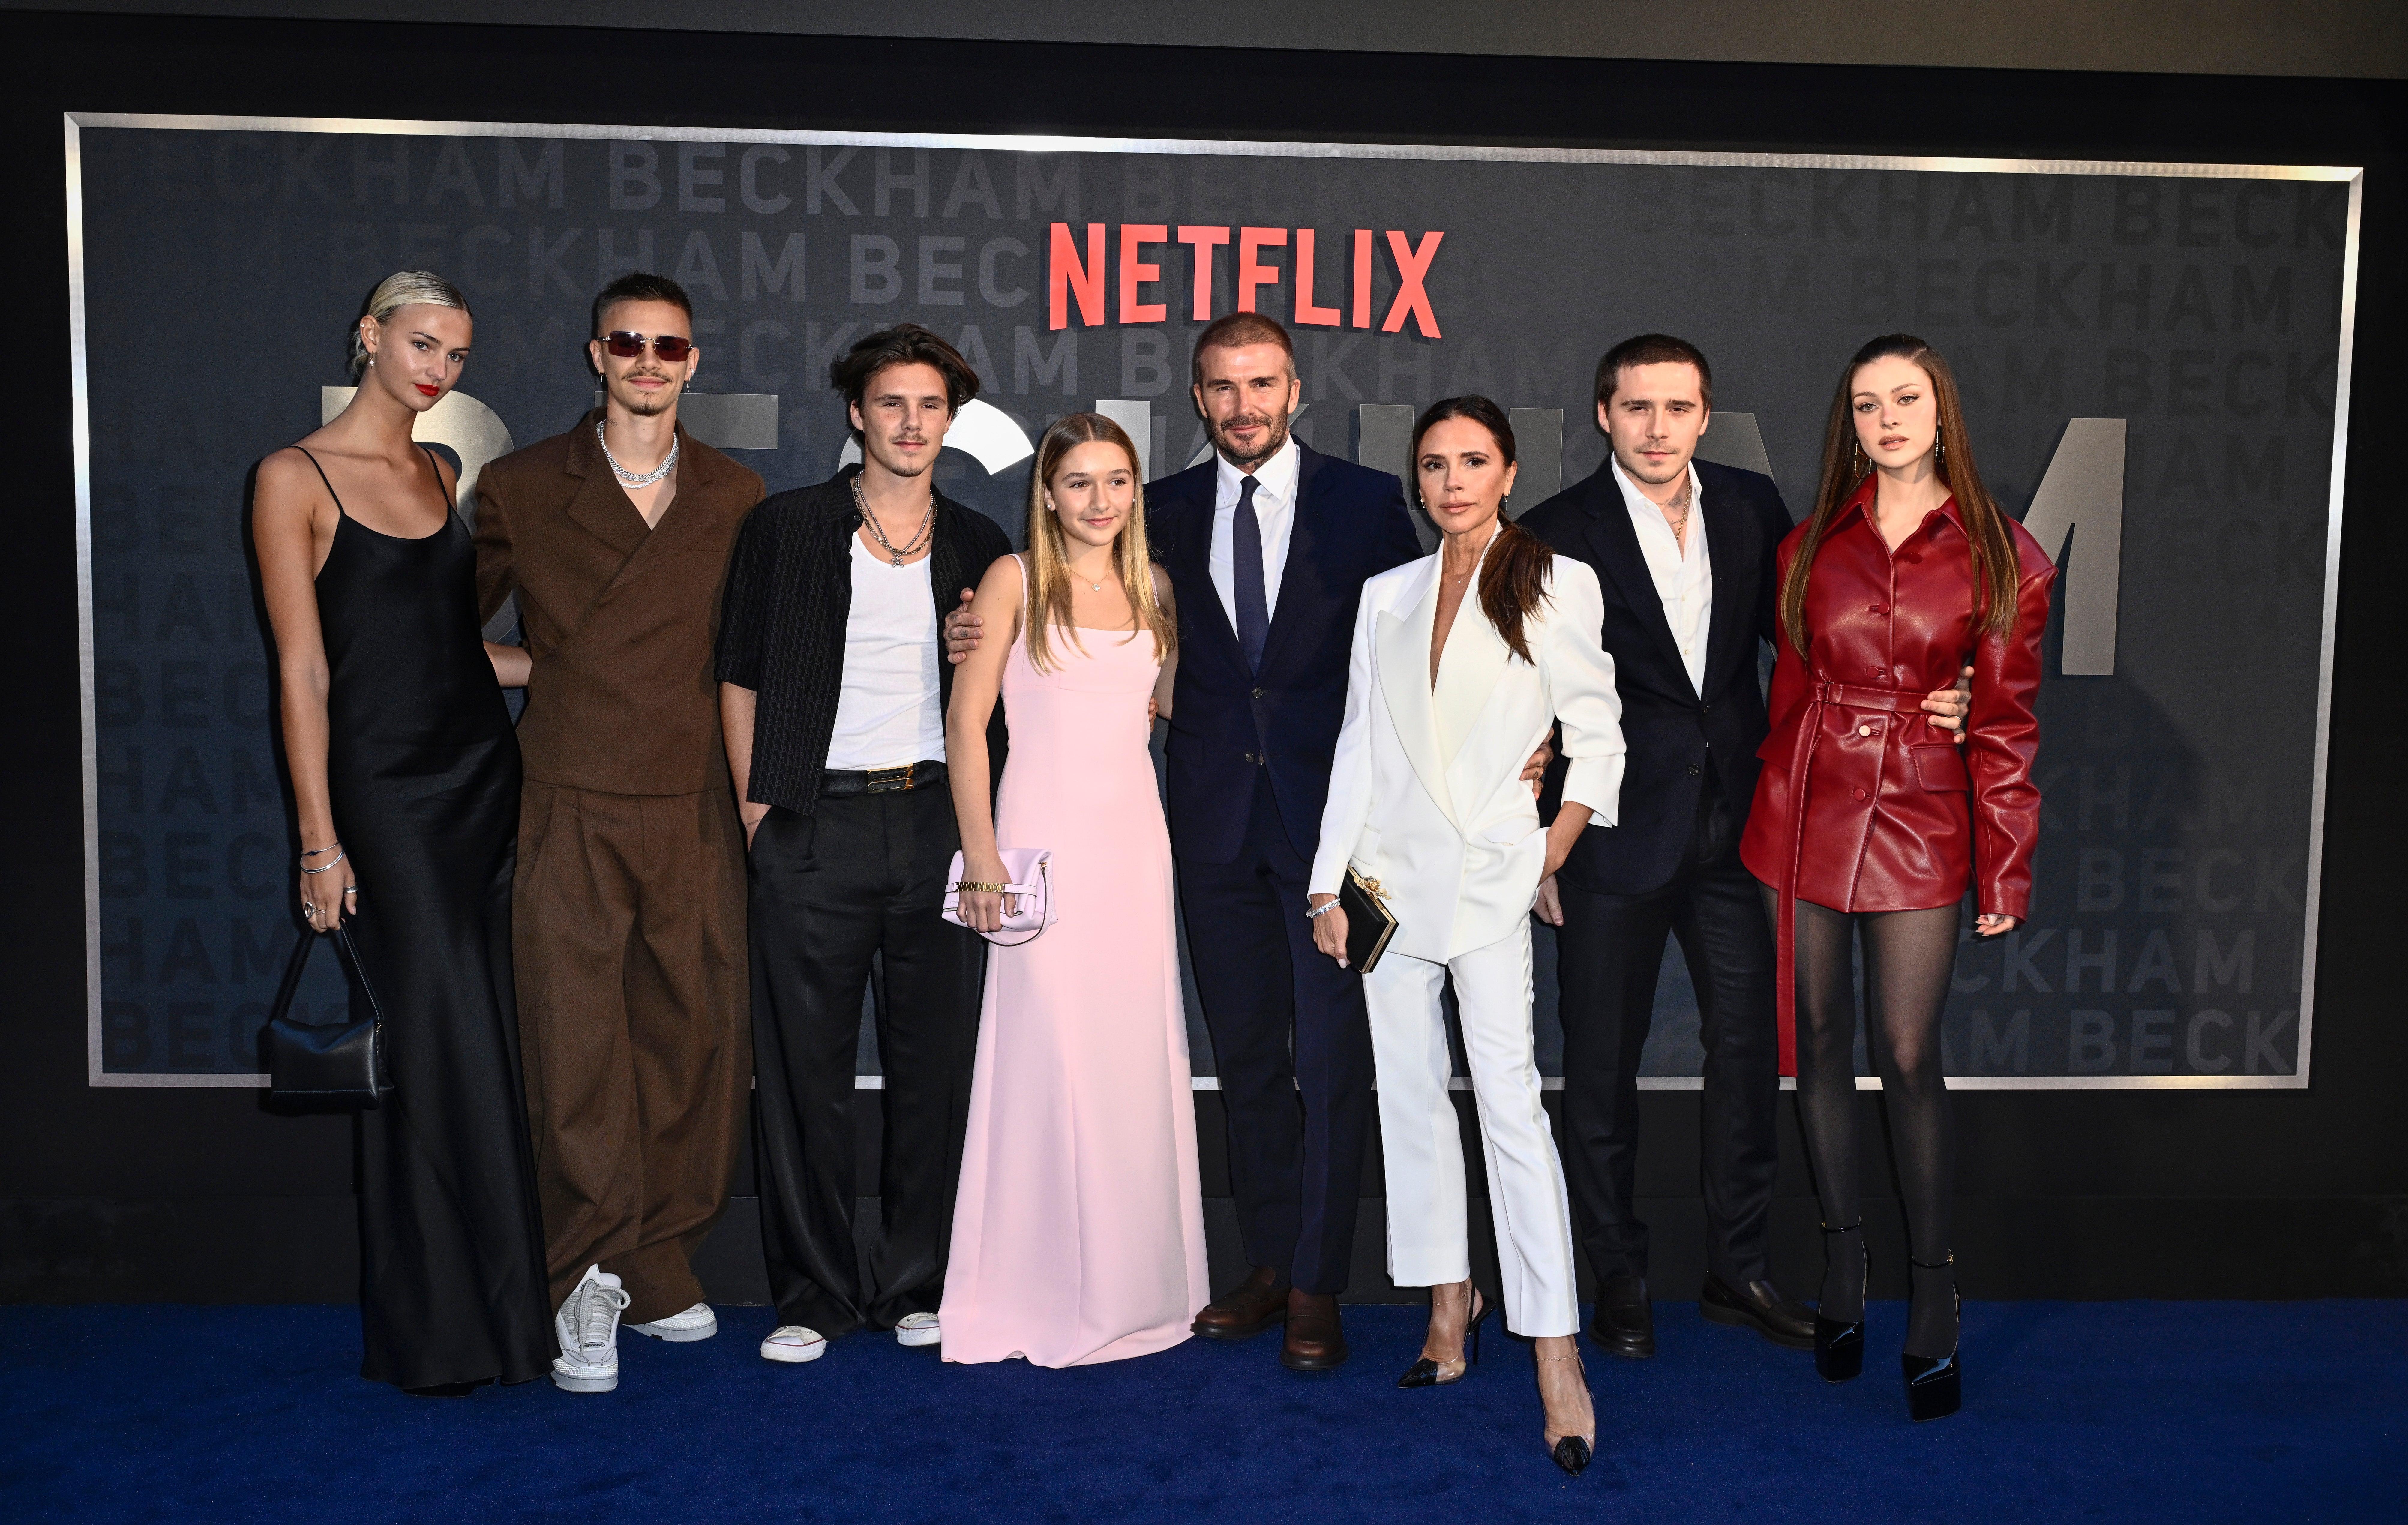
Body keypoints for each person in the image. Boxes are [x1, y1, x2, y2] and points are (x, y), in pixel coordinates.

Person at [1517, 336, 1969, 1361]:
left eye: (1676, 408)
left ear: (1704, 415)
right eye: (1636, 408)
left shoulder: (1755, 509)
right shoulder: (1551, 533)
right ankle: (1618, 1273)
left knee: (1749, 1056)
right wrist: (1540, 847)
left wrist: (1960, 688)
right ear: (1602, 415)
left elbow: (1832, 640)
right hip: (1611, 836)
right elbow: (1520, 701)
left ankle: (1738, 1268)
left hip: (1740, 831)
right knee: (1600, 1067)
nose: (1656, 428)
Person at [1740, 334, 2054, 1422]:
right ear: (1851, 422)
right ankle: (1841, 1258)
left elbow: (2007, 726)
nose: (1887, 419)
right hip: (1803, 806)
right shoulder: (1804, 547)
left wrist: (2003, 860)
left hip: (1921, 809)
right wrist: (1769, 809)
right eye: (1867, 403)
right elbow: (1785, 691)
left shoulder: (2002, 553)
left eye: (1905, 398)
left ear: (1940, 410)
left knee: (1909, 1052)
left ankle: (1932, 1283)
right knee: (1816, 1040)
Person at [1309, 396, 1622, 1475]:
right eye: (1434, 463)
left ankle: (1556, 1350)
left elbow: (1597, 737)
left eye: (1473, 461)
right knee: (1407, 1099)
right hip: (1385, 887)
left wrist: (1548, 852)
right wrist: (1323, 890)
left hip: (1490, 883)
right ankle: (1449, 1301)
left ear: (1509, 470)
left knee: (1509, 1108)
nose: (1452, 481)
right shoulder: (1385, 594)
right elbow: (1358, 745)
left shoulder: (1553, 579)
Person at [252, 270, 550, 1394]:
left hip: (483, 779)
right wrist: (319, 842)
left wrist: (581, 672)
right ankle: (445, 1330)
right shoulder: (294, 476)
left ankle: (505, 1314)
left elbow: (450, 647)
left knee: (480, 1039)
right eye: (422, 344)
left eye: (459, 356)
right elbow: (305, 666)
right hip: (384, 798)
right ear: (371, 336)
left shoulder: (443, 468)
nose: (439, 369)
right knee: (434, 1047)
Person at [473, 272, 766, 1394]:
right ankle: (582, 1276)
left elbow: (760, 649)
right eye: (628, 342)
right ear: (595, 354)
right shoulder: (518, 485)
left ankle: (654, 1254)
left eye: (670, 345)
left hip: (694, 796)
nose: (650, 360)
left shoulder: (737, 493)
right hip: (571, 793)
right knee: (576, 1042)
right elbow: (444, 635)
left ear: (695, 362)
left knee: (694, 1042)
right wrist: (557, 669)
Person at [717, 325, 1010, 1366]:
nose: (910, 423)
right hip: (810, 823)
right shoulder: (787, 528)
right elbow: (740, 676)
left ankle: (919, 1280)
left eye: (929, 406)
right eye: (891, 403)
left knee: (935, 1070)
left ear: (950, 418)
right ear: (856, 412)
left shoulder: (982, 542)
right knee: (805, 1074)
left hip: (935, 821)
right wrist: (761, 815)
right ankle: (815, 1290)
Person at [936, 412, 1210, 1366]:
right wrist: (981, 857)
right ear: (1047, 493)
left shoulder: (1154, 587)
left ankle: (1136, 1287)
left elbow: (1166, 707)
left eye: (1118, 481)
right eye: (1080, 482)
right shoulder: (1014, 580)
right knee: (1047, 1060)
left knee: (1128, 1061)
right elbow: (966, 726)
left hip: (1134, 849)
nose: (1100, 501)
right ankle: (1033, 1288)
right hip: (1039, 849)